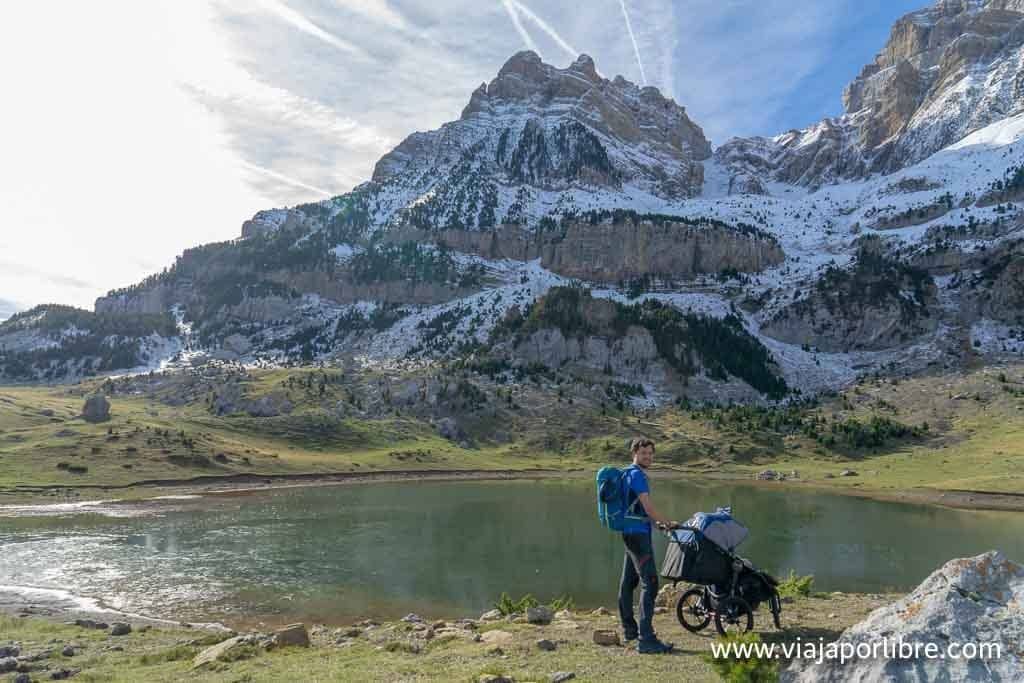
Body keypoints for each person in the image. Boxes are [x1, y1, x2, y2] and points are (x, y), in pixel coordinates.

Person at [618, 437, 676, 654]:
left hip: (629, 532)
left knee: (628, 582)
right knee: (650, 583)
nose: (648, 457)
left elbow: (640, 511)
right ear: (634, 453)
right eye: (643, 453)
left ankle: (630, 631)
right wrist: (667, 523)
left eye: (651, 453)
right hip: (639, 536)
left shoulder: (625, 474)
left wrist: (658, 525)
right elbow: (648, 508)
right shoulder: (637, 475)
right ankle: (646, 639)